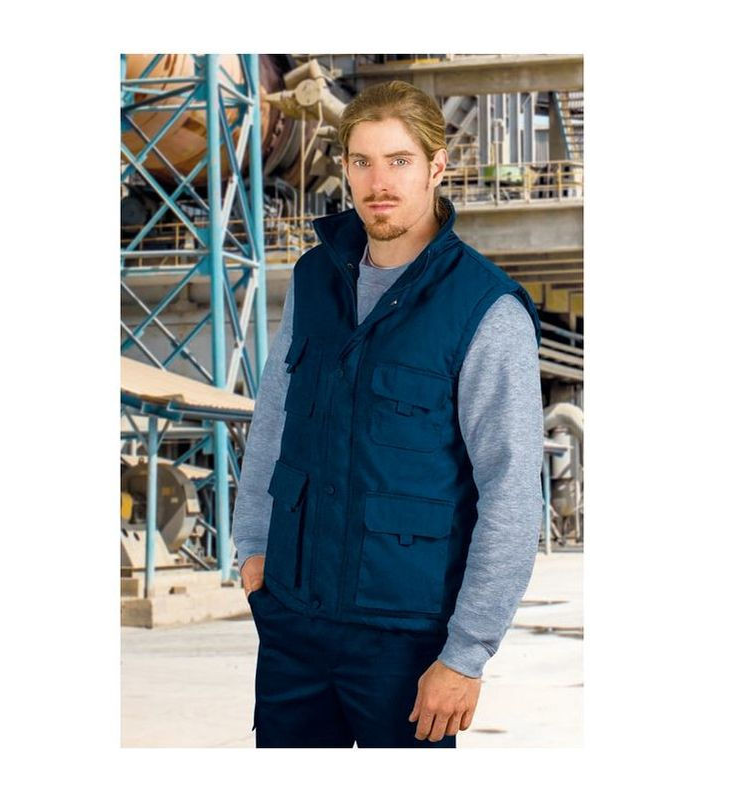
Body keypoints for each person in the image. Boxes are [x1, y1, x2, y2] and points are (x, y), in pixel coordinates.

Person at [231, 80, 544, 748]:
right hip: (293, 622)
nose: (379, 182)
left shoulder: (485, 308)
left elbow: (512, 493)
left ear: (437, 167)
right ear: (344, 168)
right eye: (363, 161)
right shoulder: (314, 279)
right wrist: (252, 544)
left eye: (399, 161)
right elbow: (274, 419)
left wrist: (466, 655)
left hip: (406, 642)